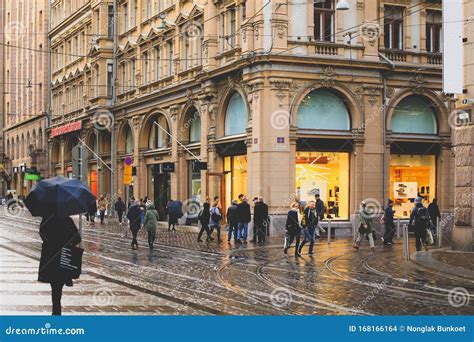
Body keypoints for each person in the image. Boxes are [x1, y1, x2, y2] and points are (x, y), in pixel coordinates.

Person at [38, 215, 81, 315]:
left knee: (55, 285)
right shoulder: (67, 219)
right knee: (58, 284)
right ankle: (56, 309)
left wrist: (50, 242)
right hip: (63, 255)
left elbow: (42, 234)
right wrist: (68, 242)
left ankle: (56, 309)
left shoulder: (47, 219)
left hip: (50, 257)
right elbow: (77, 238)